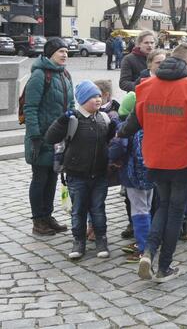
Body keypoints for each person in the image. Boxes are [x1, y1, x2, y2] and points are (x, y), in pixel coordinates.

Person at [119, 43, 187, 282]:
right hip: (181, 160)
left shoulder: (147, 86)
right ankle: (164, 267)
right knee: (175, 211)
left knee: (162, 206)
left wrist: (119, 135)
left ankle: (148, 252)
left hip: (154, 158)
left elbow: (132, 123)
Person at [45, 80, 116, 260]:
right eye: (93, 97)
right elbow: (51, 137)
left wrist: (114, 130)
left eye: (99, 95)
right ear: (83, 100)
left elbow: (108, 141)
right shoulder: (73, 119)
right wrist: (61, 122)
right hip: (77, 175)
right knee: (78, 210)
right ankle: (78, 241)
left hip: (99, 174)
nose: (98, 99)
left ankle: (101, 240)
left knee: (98, 209)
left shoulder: (104, 118)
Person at [24, 37, 74, 236]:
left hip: (58, 138)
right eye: (60, 51)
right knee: (40, 178)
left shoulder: (65, 75)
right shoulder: (39, 75)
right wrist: (36, 135)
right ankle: (38, 220)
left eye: (66, 51)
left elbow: (70, 104)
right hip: (41, 138)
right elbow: (31, 107)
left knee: (52, 177)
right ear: (49, 53)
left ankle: (48, 215)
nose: (64, 55)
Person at [109, 92, 154, 263]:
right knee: (147, 207)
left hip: (132, 175)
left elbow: (119, 147)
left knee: (139, 210)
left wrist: (111, 155)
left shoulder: (126, 127)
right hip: (150, 173)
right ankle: (147, 242)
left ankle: (144, 248)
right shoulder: (150, 124)